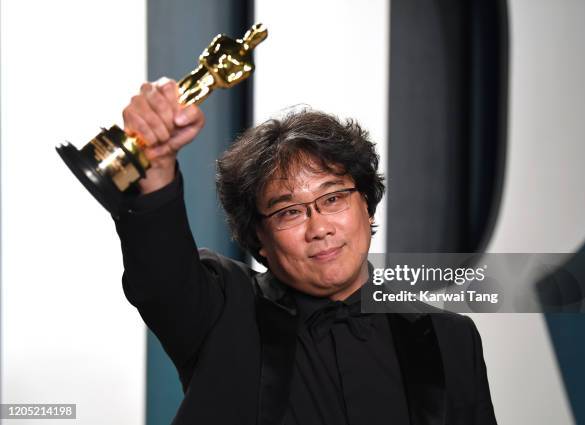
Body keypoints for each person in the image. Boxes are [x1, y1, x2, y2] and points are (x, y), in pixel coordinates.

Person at [115, 78, 497, 425]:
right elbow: (162, 278)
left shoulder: (451, 337)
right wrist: (156, 169)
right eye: (289, 212)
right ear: (259, 237)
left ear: (366, 203)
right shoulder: (223, 310)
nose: (319, 228)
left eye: (333, 199)